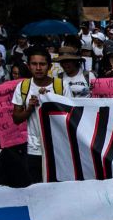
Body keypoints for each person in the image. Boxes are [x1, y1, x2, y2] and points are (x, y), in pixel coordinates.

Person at [12, 46, 70, 184]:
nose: (38, 68)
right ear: (28, 66)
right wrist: (30, 108)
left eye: (42, 64)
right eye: (34, 64)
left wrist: (51, 102)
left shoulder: (62, 86)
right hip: (34, 148)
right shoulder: (22, 87)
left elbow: (70, 117)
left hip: (58, 147)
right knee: (36, 186)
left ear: (49, 66)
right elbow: (16, 118)